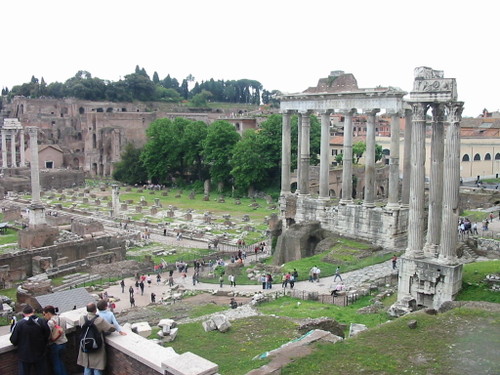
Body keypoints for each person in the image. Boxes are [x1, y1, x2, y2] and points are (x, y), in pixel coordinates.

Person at [10, 304, 50, 375]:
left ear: (23, 313)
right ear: (33, 311)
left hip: (24, 354)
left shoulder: (19, 324)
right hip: (40, 352)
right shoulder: (41, 322)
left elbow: (13, 340)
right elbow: (47, 335)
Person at [77, 302, 116, 375]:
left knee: (87, 366)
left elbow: (80, 325)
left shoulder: (82, 318)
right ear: (95, 310)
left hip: (85, 345)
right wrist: (114, 325)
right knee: (97, 368)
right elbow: (111, 328)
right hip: (96, 346)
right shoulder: (99, 320)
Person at [43, 305, 69, 375]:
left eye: (44, 314)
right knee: (61, 362)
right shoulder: (63, 319)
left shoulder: (50, 322)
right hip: (63, 342)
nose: (44, 316)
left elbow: (48, 334)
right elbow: (65, 329)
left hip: (55, 344)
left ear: (48, 313)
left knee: (56, 363)